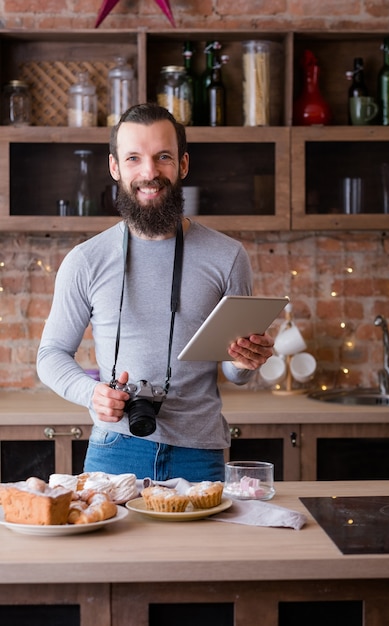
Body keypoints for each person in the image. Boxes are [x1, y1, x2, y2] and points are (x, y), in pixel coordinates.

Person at [37, 103, 274, 482]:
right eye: (134, 158)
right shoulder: (85, 260)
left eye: (162, 157)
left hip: (200, 451)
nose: (149, 173)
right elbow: (50, 354)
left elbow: (234, 371)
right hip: (114, 447)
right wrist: (92, 394)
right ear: (115, 167)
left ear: (182, 164)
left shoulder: (228, 257)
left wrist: (245, 361)